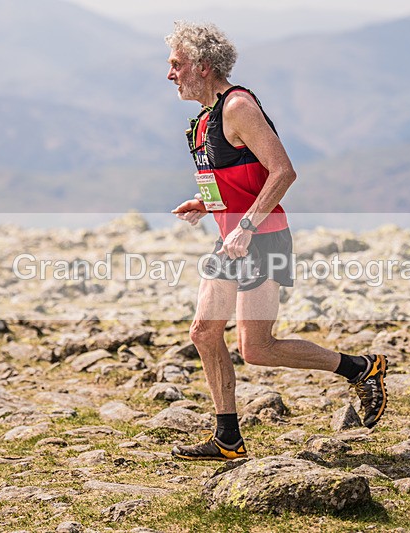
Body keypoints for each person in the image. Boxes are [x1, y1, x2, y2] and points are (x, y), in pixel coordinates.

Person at [166, 21, 387, 461]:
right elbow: (236, 179)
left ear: (204, 66)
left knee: (258, 349)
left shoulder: (238, 106)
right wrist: (205, 204)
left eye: (177, 64)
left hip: (262, 240)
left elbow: (283, 171)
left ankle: (361, 368)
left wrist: (245, 226)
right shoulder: (205, 120)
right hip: (234, 240)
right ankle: (228, 438)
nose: (170, 74)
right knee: (204, 332)